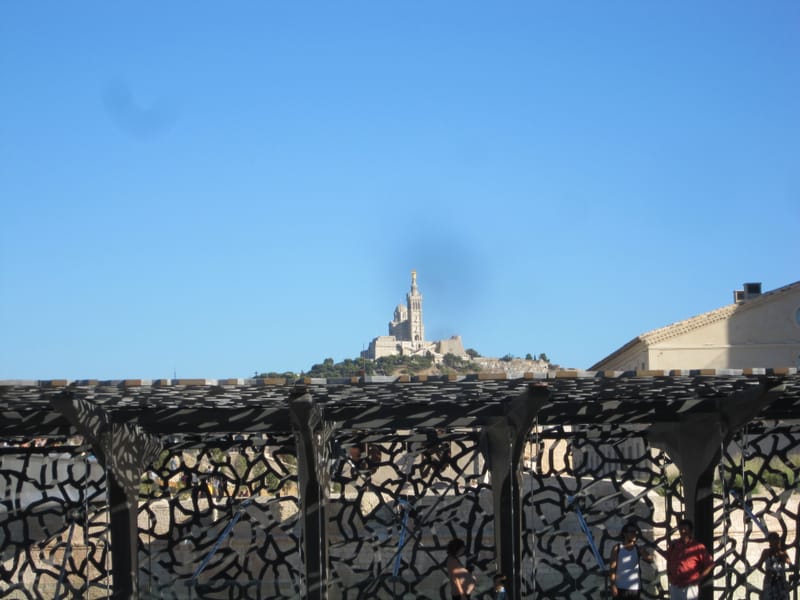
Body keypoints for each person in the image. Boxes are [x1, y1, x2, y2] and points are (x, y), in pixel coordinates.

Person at [666, 518, 715, 600]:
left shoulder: (698, 547)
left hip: (690, 585)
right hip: (675, 585)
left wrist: (698, 579)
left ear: (690, 531)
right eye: (681, 529)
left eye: (685, 529)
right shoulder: (674, 545)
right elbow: (669, 560)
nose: (683, 532)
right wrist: (669, 574)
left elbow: (710, 564)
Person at [609, 521, 654, 598]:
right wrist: (613, 585)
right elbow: (612, 568)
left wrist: (643, 551)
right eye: (631, 532)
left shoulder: (637, 549)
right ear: (625, 534)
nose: (634, 534)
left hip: (635, 588)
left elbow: (650, 559)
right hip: (620, 587)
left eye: (635, 532)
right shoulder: (617, 548)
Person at [758, 531, 791, 600]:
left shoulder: (782, 552)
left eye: (776, 539)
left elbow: (789, 563)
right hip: (770, 581)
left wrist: (781, 553)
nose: (775, 542)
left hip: (781, 581)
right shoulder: (766, 552)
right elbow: (759, 566)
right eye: (773, 540)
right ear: (770, 542)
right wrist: (766, 572)